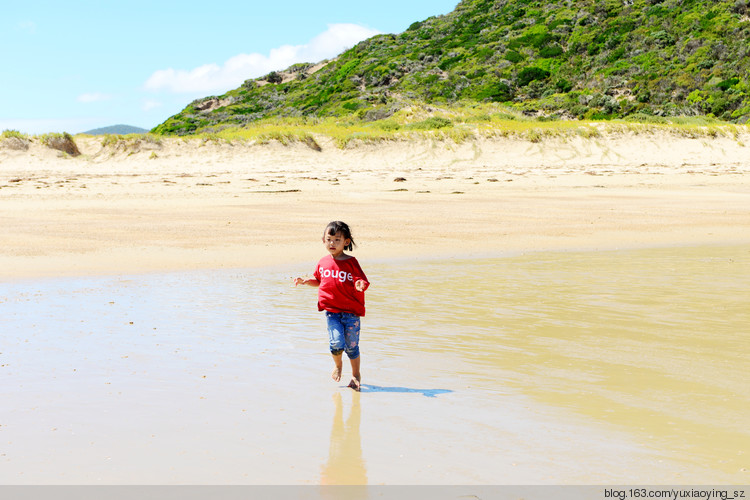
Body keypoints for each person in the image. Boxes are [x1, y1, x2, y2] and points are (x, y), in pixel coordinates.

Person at [294, 221, 369, 391]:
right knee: (336, 344)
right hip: (332, 313)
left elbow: (360, 280)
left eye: (337, 240)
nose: (332, 243)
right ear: (323, 240)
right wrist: (307, 281)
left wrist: (360, 285)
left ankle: (356, 374)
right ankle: (338, 365)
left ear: (346, 242)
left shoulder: (351, 262)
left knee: (352, 346)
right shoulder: (323, 262)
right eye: (329, 239)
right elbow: (319, 281)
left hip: (351, 314)